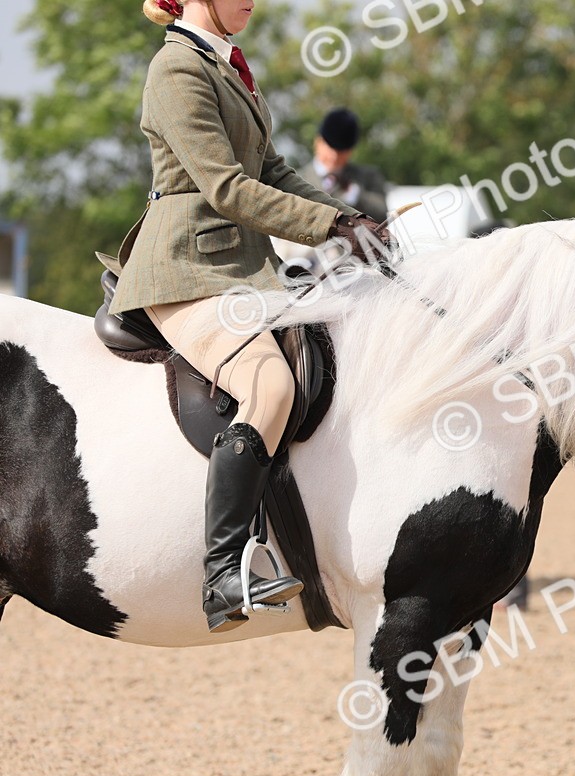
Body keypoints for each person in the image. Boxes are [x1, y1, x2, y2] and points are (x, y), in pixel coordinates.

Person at [114, 0, 390, 633]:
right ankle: (223, 574)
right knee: (270, 386)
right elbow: (227, 188)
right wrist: (331, 226)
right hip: (186, 270)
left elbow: (272, 171)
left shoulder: (228, 63)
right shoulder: (176, 70)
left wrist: (354, 222)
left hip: (240, 271)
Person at [300, 109, 392, 224]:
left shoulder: (368, 176)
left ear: (350, 151)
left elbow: (382, 216)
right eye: (331, 148)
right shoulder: (297, 178)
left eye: (341, 151)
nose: (334, 156)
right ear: (318, 142)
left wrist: (356, 195)